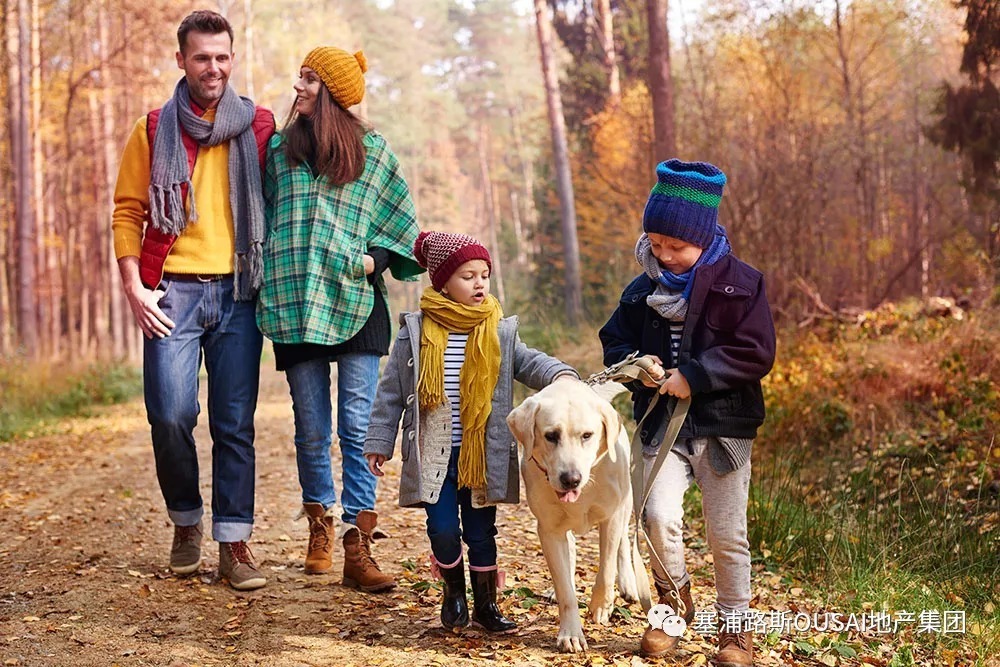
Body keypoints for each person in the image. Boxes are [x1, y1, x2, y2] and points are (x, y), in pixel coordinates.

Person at [111, 10, 275, 590]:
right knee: (170, 414)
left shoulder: (258, 126)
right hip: (170, 292)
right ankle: (186, 522)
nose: (214, 67)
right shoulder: (154, 127)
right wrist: (134, 286)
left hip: (238, 291)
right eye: (202, 56)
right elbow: (129, 210)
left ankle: (234, 543)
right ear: (181, 60)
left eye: (222, 56)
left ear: (233, 58)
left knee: (235, 424)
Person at [255, 46, 423, 591]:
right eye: (300, 77)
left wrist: (372, 259)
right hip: (295, 301)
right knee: (311, 429)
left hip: (357, 301)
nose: (297, 86)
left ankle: (357, 539)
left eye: (308, 79)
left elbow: (401, 221)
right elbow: (262, 215)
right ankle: (319, 523)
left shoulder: (372, 151)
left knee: (356, 425)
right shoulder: (279, 150)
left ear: (330, 91)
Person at [599, 160, 775, 666]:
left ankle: (735, 632)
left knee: (727, 535)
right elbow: (614, 341)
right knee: (657, 516)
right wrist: (637, 365)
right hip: (662, 427)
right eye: (656, 243)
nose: (665, 256)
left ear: (704, 237)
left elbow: (756, 351)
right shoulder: (640, 290)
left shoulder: (743, 284)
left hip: (724, 429)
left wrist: (693, 376)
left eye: (677, 246)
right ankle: (671, 608)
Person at [363, 231, 579, 632]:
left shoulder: (498, 329)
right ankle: (454, 592)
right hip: (434, 451)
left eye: (484, 274)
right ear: (443, 282)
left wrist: (563, 375)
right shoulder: (415, 331)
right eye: (468, 276)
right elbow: (391, 390)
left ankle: (485, 605)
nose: (479, 283)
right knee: (443, 529)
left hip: (483, 452)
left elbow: (529, 363)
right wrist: (379, 440)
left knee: (482, 532)